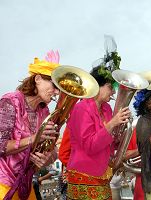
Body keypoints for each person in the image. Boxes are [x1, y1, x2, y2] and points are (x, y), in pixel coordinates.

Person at [65, 62, 131, 199]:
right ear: (96, 86)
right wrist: (113, 123)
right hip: (83, 176)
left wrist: (120, 136)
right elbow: (90, 146)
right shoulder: (81, 108)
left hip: (102, 175)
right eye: (110, 87)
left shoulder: (106, 108)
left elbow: (107, 142)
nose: (113, 91)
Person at [0, 51, 60, 199]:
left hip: (25, 185)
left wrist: (48, 158)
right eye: (54, 85)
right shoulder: (10, 101)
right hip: (3, 183)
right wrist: (34, 138)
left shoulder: (44, 111)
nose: (57, 92)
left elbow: (53, 150)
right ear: (38, 79)